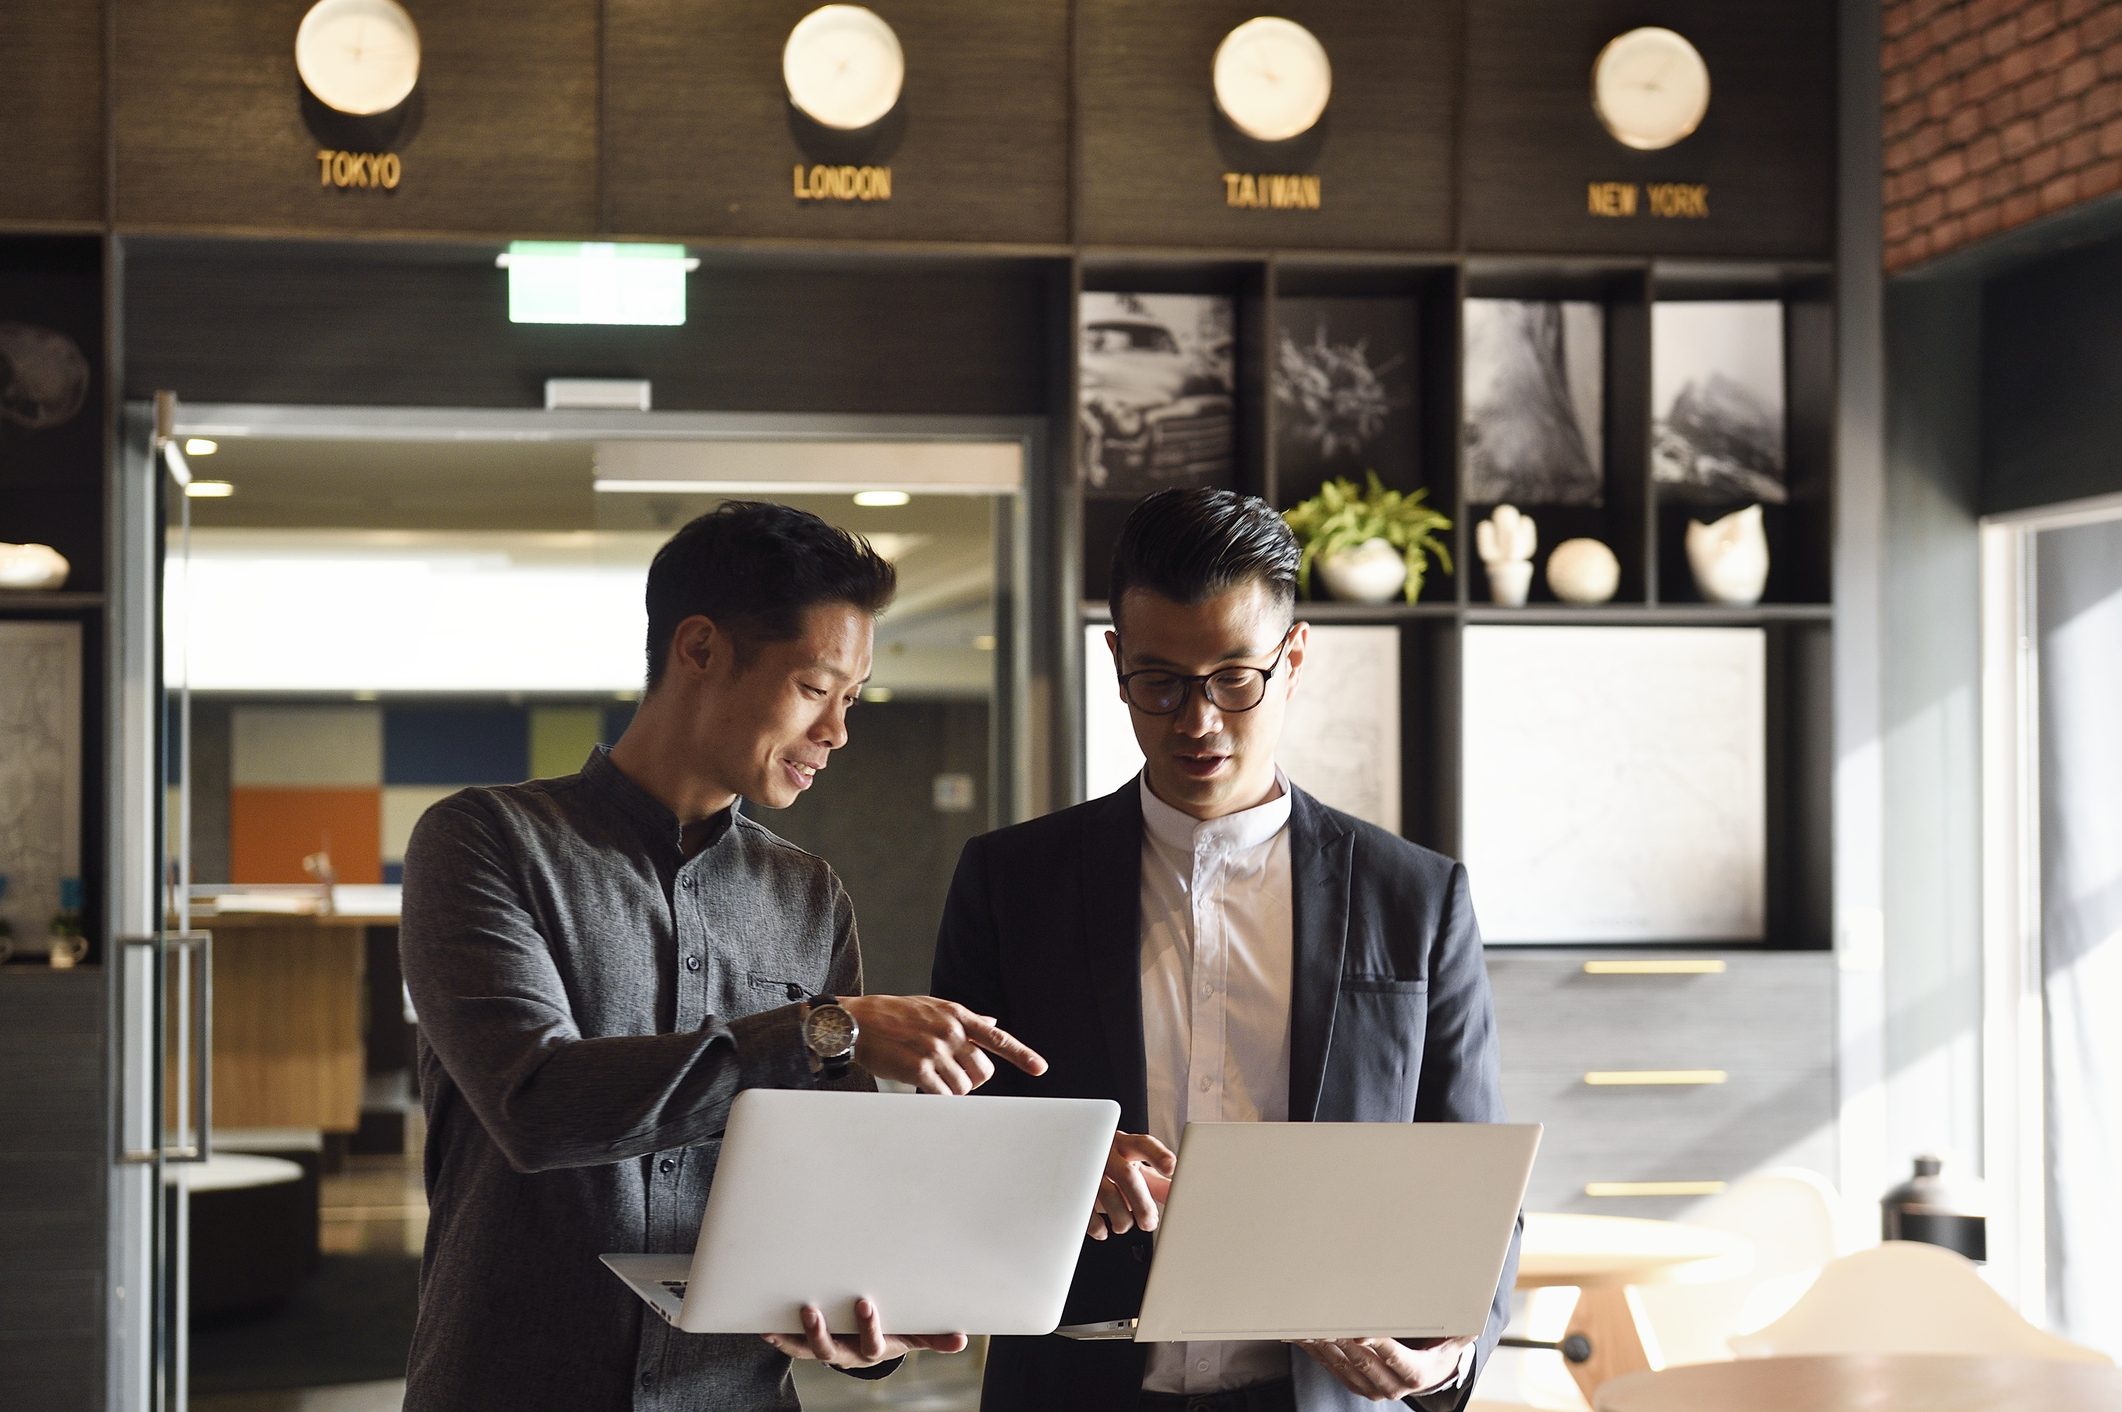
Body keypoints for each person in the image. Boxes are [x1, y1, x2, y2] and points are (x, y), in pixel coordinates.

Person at [399, 501, 1046, 1412]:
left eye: (851, 700)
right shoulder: (484, 842)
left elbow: (833, 1192)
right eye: (816, 688)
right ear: (698, 649)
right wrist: (829, 1031)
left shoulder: (809, 897)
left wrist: (869, 1330)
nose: (838, 732)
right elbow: (536, 1107)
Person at [931, 488, 1518, 1411]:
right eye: (1160, 682)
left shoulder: (1416, 897)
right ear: (1116, 659)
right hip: (1075, 1388)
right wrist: (1064, 1163)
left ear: (1294, 657)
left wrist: (1449, 1356)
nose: (1197, 722)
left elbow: (1476, 1174)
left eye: (1234, 679)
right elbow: (948, 1145)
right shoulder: (1011, 882)